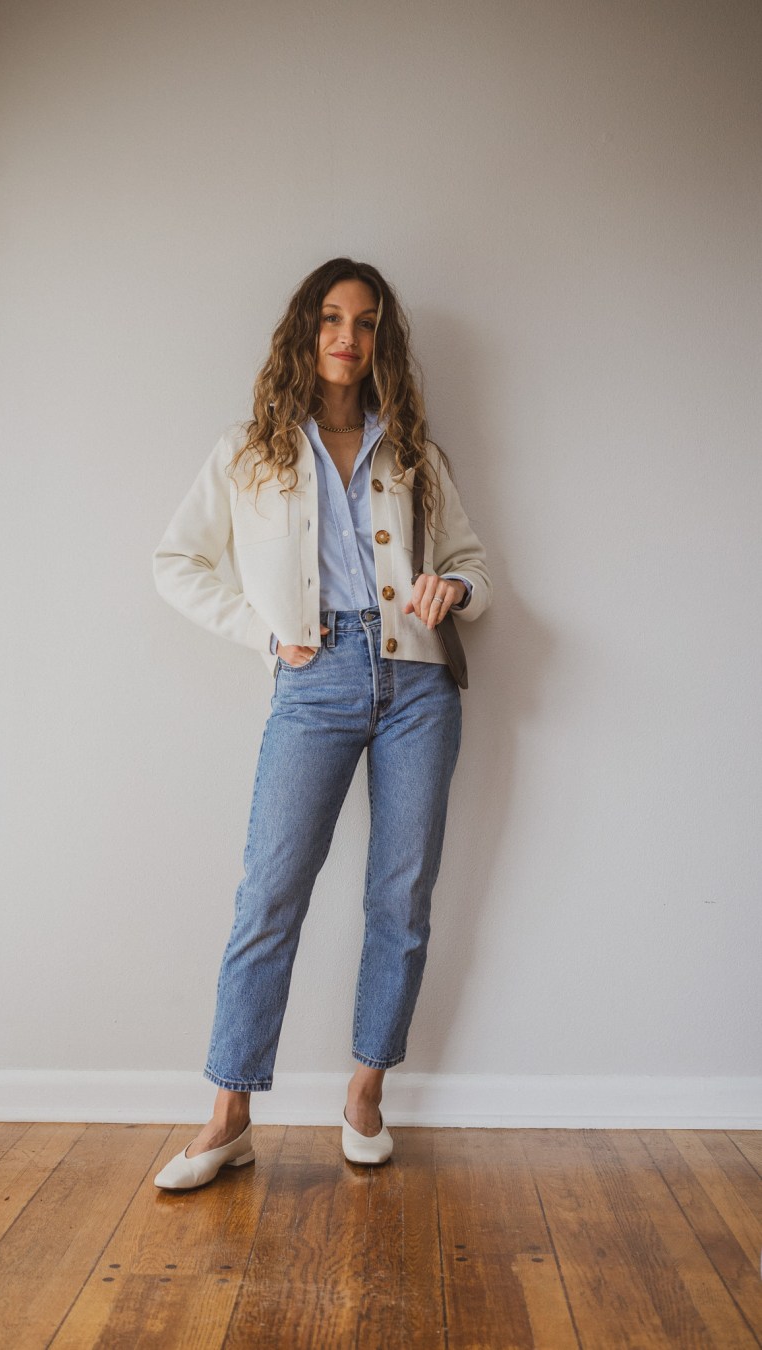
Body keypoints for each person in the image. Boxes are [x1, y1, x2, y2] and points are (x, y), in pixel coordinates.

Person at [151, 257, 491, 1189]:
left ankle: (365, 1094)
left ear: (383, 340)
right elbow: (175, 562)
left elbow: (473, 565)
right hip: (312, 678)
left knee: (402, 899)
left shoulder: (415, 450)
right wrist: (265, 636)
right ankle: (228, 1118)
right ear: (305, 331)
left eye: (368, 321)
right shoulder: (249, 450)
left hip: (417, 681)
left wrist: (453, 587)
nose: (349, 335)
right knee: (269, 896)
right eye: (332, 318)